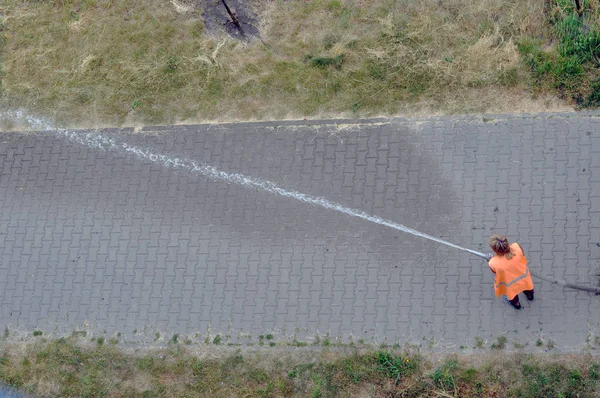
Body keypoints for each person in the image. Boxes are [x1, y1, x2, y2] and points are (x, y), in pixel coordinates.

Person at [487, 235, 534, 310]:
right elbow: (522, 255)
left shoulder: (493, 263)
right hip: (524, 277)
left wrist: (491, 259)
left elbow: (495, 271)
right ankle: (530, 296)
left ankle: (517, 304)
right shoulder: (517, 247)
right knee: (527, 287)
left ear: (495, 250)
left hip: (510, 283)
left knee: (512, 295)